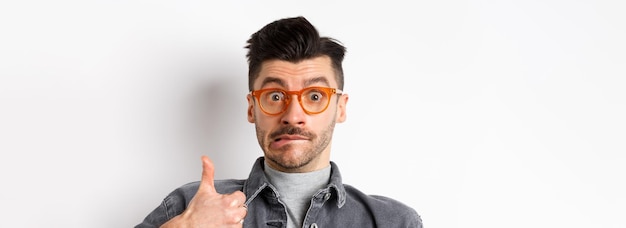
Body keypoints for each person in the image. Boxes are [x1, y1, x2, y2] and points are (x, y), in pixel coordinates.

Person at [136, 16, 423, 228]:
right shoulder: (188, 207)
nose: (292, 115)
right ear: (252, 108)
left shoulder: (393, 222)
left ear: (340, 108)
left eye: (314, 95)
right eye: (275, 95)